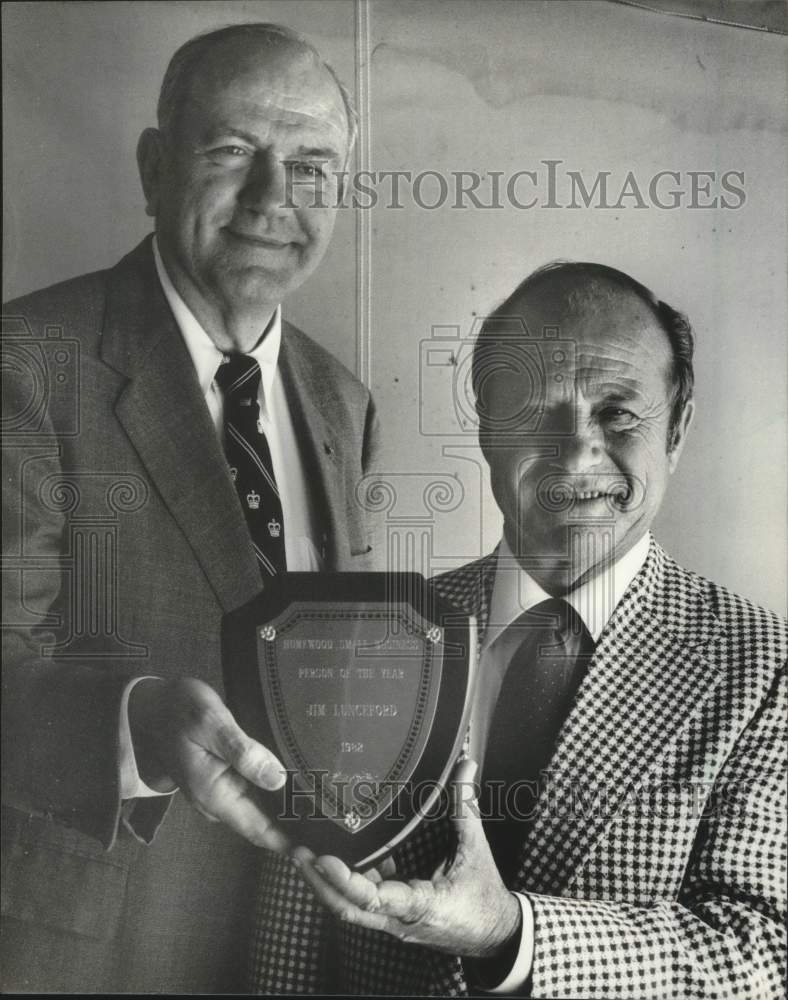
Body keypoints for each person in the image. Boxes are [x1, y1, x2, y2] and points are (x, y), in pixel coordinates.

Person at [253, 263, 786, 998]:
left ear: (679, 429)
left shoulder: (764, 666)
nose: (575, 454)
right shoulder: (367, 639)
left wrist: (512, 934)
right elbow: (290, 947)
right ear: (487, 430)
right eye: (537, 412)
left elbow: (760, 955)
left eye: (618, 414)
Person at [1, 23, 379, 993]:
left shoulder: (344, 405)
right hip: (82, 951)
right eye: (231, 153)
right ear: (154, 165)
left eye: (310, 166)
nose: (272, 200)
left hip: (286, 947)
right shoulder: (29, 362)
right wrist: (138, 723)